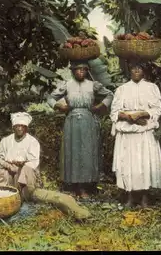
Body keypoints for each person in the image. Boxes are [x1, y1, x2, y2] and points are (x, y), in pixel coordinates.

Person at [47, 61, 114, 199]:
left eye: (83, 70)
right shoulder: (67, 84)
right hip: (71, 121)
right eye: (77, 70)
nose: (80, 72)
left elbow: (110, 95)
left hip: (88, 121)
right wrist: (59, 107)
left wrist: (99, 107)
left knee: (86, 152)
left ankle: (84, 188)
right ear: (73, 71)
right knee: (72, 151)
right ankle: (71, 187)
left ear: (87, 71)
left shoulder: (92, 84)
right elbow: (50, 98)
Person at [109, 62, 161, 208]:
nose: (137, 70)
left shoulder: (152, 88)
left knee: (144, 163)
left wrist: (142, 114)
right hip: (127, 131)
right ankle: (129, 196)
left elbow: (157, 110)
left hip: (144, 131)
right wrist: (129, 118)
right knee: (128, 164)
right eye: (134, 68)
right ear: (129, 71)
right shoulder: (122, 89)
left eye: (140, 68)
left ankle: (145, 197)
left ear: (144, 71)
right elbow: (115, 112)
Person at [0, 112, 40, 201]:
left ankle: (21, 197)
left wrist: (21, 165)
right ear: (13, 128)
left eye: (22, 126)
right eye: (17, 126)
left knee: (24, 174)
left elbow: (34, 162)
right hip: (8, 170)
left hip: (24, 170)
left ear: (26, 128)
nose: (20, 128)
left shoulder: (32, 142)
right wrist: (8, 165)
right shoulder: (6, 140)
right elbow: (0, 159)